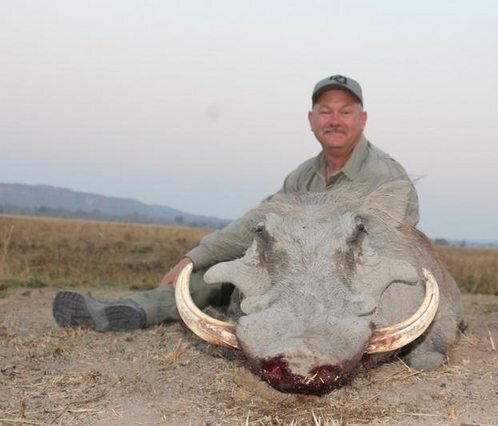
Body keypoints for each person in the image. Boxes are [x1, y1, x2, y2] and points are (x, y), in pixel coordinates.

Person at [52, 74, 420, 331]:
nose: (334, 120)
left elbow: (382, 254)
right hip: (298, 276)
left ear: (363, 119)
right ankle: (131, 310)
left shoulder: (386, 176)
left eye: (345, 111)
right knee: (224, 272)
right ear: (311, 120)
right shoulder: (301, 177)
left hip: (349, 284)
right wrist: (193, 257)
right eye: (325, 111)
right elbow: (256, 224)